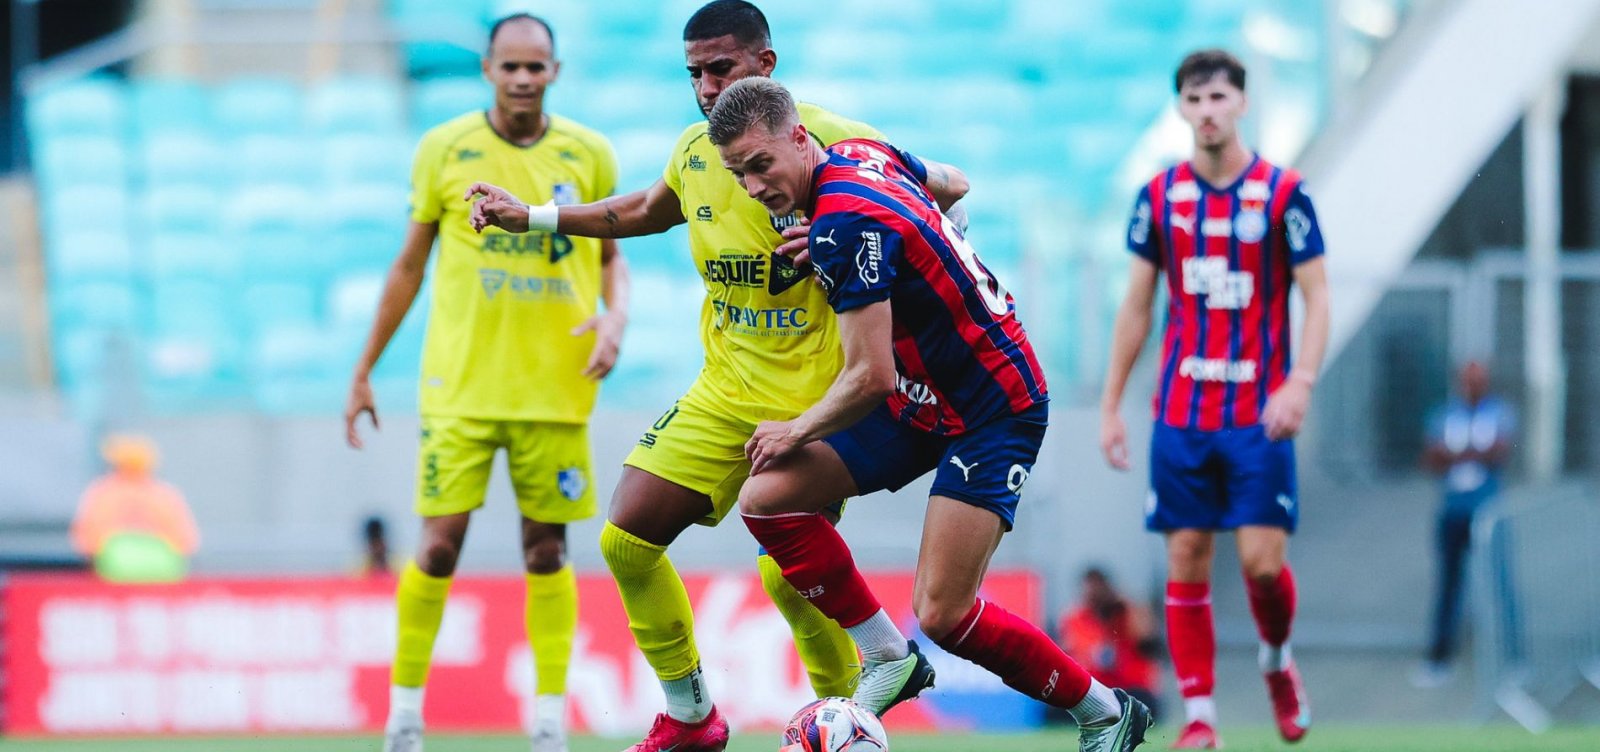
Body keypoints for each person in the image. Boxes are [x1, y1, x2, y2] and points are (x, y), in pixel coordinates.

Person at [466, 4, 923, 750]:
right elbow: (645, 210)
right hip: (724, 390)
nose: (707, 87)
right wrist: (537, 219)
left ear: (765, 65)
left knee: (787, 574)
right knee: (626, 539)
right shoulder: (693, 150)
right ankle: (692, 717)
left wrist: (847, 230)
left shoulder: (835, 140)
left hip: (815, 402)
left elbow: (939, 198)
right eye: (694, 74)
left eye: (721, 68)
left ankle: (847, 721)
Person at [705, 76, 1153, 752]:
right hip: (920, 398)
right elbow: (956, 184)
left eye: (761, 164)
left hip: (992, 407)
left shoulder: (842, 226)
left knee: (943, 612)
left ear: (798, 137)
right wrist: (916, 241)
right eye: (739, 173)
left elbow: (869, 376)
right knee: (767, 499)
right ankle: (888, 656)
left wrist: (794, 429)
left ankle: (1105, 711)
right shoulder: (861, 154)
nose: (753, 186)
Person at [343, 14, 629, 752]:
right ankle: (405, 717)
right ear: (488, 70)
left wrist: (615, 316)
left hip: (554, 388)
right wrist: (365, 367)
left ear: (555, 71)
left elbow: (611, 255)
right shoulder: (444, 148)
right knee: (438, 547)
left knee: (548, 551)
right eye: (511, 66)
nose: (523, 78)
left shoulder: (590, 153)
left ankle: (549, 723)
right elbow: (410, 264)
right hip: (461, 389)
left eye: (536, 66)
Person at [1098, 49, 1330, 749]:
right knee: (1187, 556)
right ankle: (1200, 716)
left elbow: (1318, 297)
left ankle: (1277, 662)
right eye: (1195, 100)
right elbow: (1137, 307)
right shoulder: (1159, 197)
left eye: (1219, 98)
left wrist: (1300, 381)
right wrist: (1112, 404)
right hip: (1182, 413)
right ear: (1180, 108)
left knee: (1262, 565)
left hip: (1259, 414)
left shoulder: (1284, 195)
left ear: (1242, 104)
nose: (1207, 112)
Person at [1413, 361, 1517, 687]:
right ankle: (1439, 657)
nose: (1473, 386)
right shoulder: (1443, 415)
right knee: (1448, 585)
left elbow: (1501, 451)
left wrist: (1455, 454)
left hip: (1488, 514)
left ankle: (1513, 658)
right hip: (1452, 512)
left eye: (1479, 381)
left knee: (1500, 584)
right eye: (1468, 381)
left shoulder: (1500, 412)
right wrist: (1475, 452)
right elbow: (1430, 458)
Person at [70, 434, 199, 583]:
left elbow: (87, 541)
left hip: (114, 572)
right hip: (164, 572)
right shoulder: (164, 494)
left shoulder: (103, 492)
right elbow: (186, 541)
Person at [1056, 568, 1162, 725]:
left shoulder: (1127, 612)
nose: (1094, 595)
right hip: (1093, 691)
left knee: (1141, 704)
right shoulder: (1075, 618)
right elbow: (1070, 652)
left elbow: (1148, 642)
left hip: (1129, 689)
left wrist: (1126, 607)